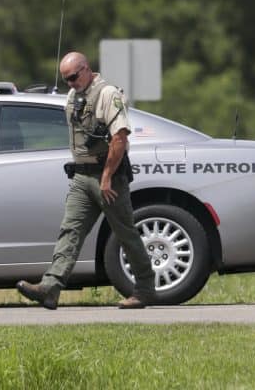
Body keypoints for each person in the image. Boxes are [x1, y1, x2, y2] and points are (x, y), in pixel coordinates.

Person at [16, 52, 155, 309]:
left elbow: (120, 138)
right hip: (82, 176)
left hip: (108, 177)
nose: (70, 83)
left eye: (73, 77)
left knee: (124, 232)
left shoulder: (107, 94)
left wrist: (107, 177)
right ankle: (50, 287)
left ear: (86, 69)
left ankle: (145, 288)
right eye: (65, 79)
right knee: (71, 230)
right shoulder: (74, 95)